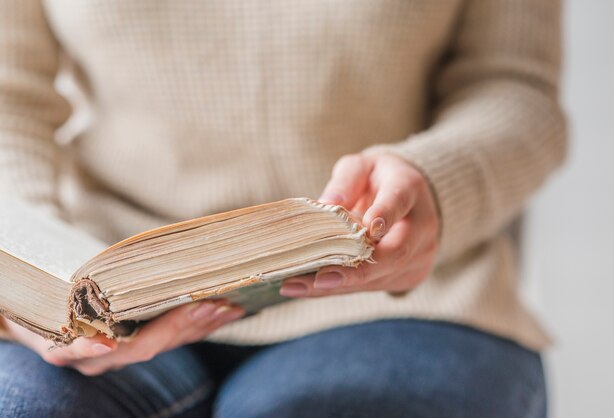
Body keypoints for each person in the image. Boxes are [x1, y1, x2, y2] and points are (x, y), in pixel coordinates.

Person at [0, 0, 566, 417]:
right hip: (114, 285)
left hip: (394, 292)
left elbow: (514, 87)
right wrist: (33, 288)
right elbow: (9, 99)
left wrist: (435, 184)